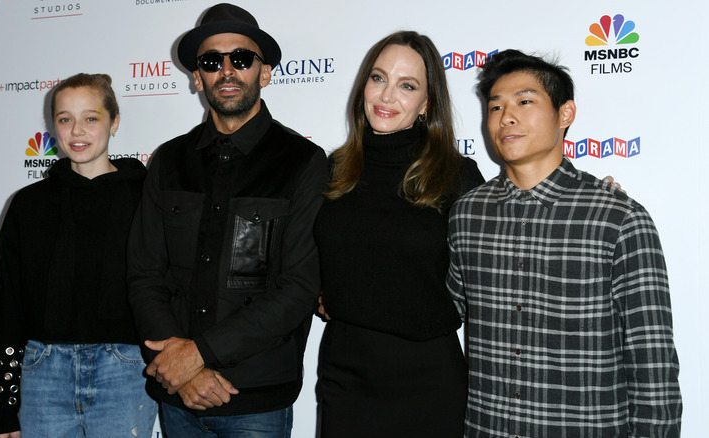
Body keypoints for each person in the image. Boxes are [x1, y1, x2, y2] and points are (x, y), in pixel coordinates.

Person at [446, 49, 682, 437]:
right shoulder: (467, 214)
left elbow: (652, 364)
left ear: (565, 114)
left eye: (524, 101)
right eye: (495, 107)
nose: (506, 117)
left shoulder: (617, 219)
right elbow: (440, 310)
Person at [126, 3, 327, 436]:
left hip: (257, 397)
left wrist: (198, 354)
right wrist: (182, 369)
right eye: (212, 62)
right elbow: (144, 275)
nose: (227, 71)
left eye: (241, 58)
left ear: (265, 72)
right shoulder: (167, 161)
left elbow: (298, 288)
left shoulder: (302, 163)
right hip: (177, 394)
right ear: (197, 77)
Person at [314, 31, 484, 437]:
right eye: (378, 78)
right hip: (345, 375)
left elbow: (511, 242)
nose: (387, 96)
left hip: (428, 381)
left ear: (426, 103)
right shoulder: (331, 169)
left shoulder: (457, 176)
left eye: (406, 86)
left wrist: (582, 198)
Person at [0, 73, 157, 437]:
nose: (77, 131)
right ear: (54, 127)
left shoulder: (149, 199)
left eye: (90, 118)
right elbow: (8, 307)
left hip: (125, 372)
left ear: (115, 123)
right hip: (42, 372)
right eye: (65, 119)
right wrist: (1, 411)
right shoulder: (28, 205)